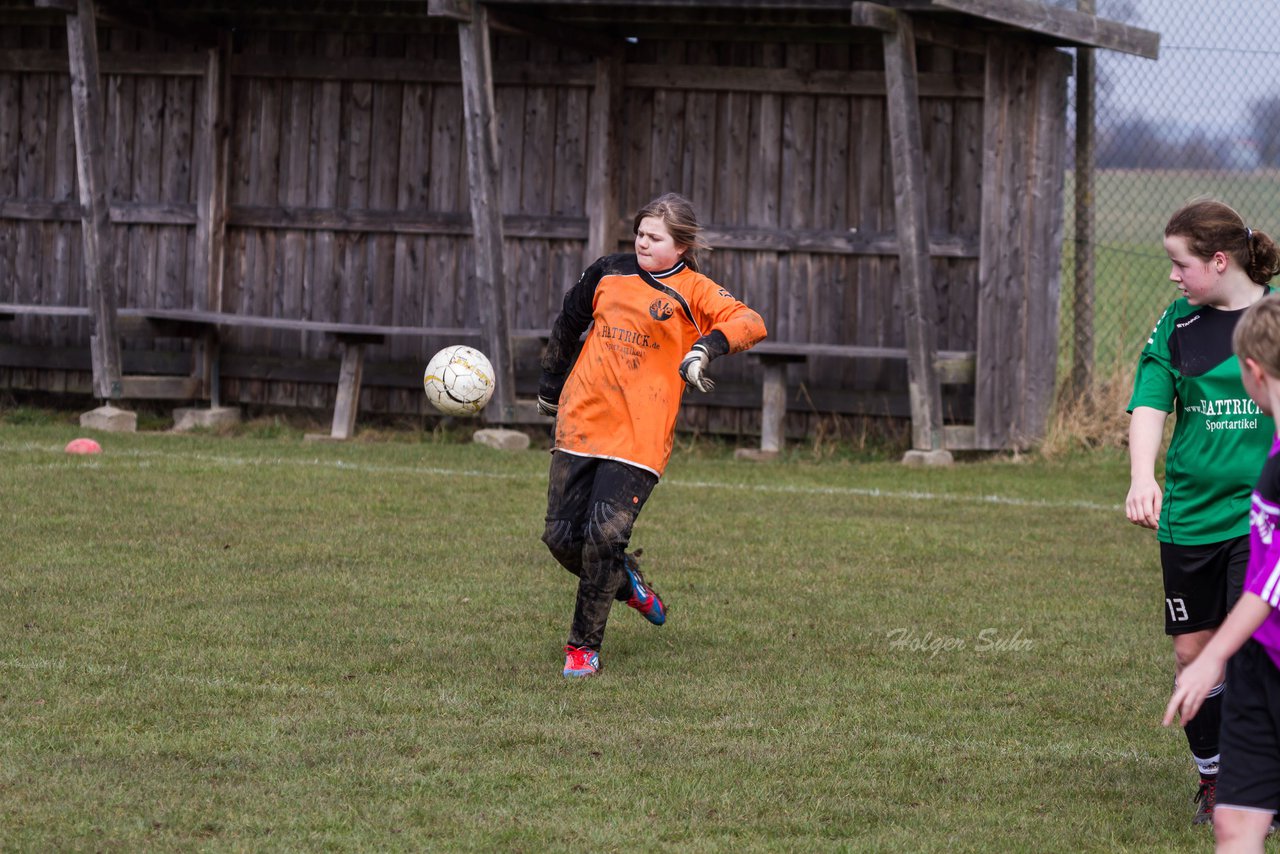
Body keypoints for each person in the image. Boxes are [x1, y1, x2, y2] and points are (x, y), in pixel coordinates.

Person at [537, 192, 767, 678]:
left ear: (680, 246)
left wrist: (705, 348)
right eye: (640, 233)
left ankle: (582, 650)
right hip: (582, 420)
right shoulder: (607, 272)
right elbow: (568, 322)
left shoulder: (696, 289)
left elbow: (750, 322)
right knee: (560, 538)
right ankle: (629, 585)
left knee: (602, 537)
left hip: (640, 434)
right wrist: (550, 387)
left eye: (654, 236)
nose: (642, 241)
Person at [1126, 199, 1280, 825]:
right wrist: (1143, 477)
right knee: (1193, 654)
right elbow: (1150, 399)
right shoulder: (1178, 322)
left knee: (1252, 651)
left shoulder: (1272, 322)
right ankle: (1215, 777)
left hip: (1259, 517)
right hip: (1190, 514)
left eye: (1179, 264)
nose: (1172, 276)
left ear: (1219, 261)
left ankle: (1255, 785)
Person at [1164, 294, 1280, 851]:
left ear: (1252, 373)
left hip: (1266, 669)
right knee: (1235, 825)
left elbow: (1271, 581)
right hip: (1260, 671)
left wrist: (1212, 655)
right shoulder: (1273, 455)